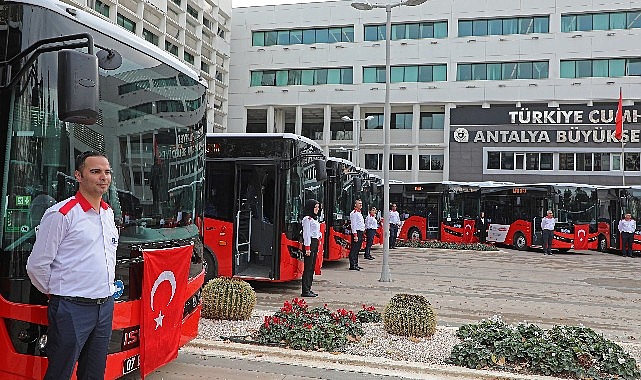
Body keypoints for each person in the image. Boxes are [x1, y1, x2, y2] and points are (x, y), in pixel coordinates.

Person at [26, 151, 118, 380]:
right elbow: (37, 265)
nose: (103, 177)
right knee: (60, 372)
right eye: (95, 172)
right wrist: (59, 292)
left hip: (104, 307)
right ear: (78, 175)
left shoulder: (108, 214)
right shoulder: (61, 214)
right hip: (71, 309)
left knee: (94, 373)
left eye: (107, 172)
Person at [301, 199, 321, 297]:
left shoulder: (314, 219)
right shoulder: (307, 219)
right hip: (310, 243)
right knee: (308, 267)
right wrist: (307, 248)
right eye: (315, 207)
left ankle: (309, 288)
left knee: (312, 267)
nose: (317, 209)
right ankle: (305, 290)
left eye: (318, 207)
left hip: (315, 242)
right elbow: (306, 234)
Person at [349, 199, 365, 271]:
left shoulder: (359, 213)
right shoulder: (354, 213)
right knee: (354, 249)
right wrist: (355, 235)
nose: (360, 205)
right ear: (355, 205)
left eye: (361, 203)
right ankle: (353, 265)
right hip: (357, 232)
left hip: (360, 232)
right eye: (359, 203)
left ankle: (356, 264)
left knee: (358, 249)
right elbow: (354, 225)